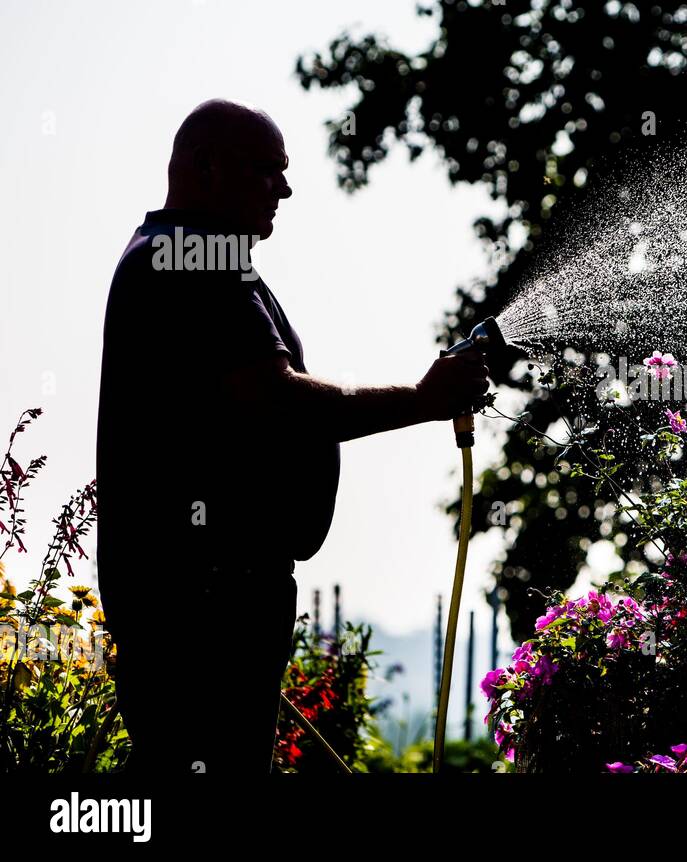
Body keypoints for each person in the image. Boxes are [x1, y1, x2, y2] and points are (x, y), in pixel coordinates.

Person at [94, 99, 489, 773]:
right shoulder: (188, 261)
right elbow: (275, 400)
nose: (284, 188)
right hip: (202, 613)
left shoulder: (190, 258)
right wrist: (423, 401)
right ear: (206, 167)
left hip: (206, 607)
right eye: (265, 170)